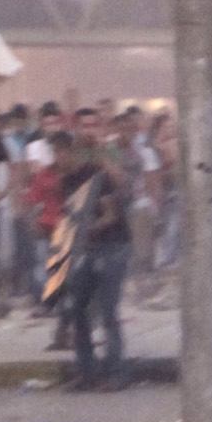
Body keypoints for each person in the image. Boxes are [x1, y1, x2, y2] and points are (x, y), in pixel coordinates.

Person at [57, 141, 132, 389]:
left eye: (60, 152)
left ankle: (116, 372)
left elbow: (110, 215)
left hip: (112, 247)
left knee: (108, 309)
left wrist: (87, 230)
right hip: (86, 250)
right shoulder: (67, 181)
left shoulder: (96, 177)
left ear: (72, 152)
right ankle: (86, 371)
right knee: (77, 309)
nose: (57, 158)